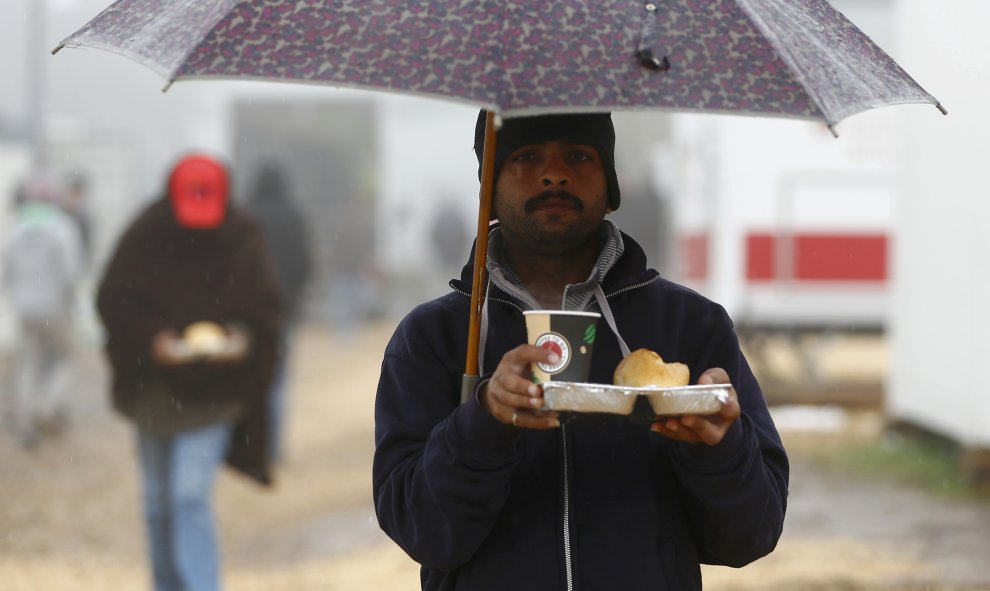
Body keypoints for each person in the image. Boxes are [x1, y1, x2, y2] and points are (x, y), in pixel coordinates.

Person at [372, 112, 789, 590]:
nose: (555, 174)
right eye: (527, 157)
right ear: (488, 186)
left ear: (610, 186)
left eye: (578, 155)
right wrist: (483, 421)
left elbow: (750, 537)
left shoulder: (691, 326)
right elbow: (425, 534)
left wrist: (720, 450)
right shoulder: (434, 337)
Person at [96, 154, 282, 591]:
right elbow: (113, 299)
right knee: (157, 501)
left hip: (217, 391)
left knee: (189, 494)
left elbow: (266, 311)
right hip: (154, 389)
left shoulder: (243, 238)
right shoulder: (146, 234)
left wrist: (241, 339)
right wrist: (152, 340)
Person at [1, 173, 85, 449]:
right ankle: (45, 406)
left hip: (24, 306)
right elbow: (70, 273)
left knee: (29, 365)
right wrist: (72, 303)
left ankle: (25, 423)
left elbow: (6, 271)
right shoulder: (62, 228)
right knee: (64, 359)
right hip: (54, 305)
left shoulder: (15, 228)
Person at [244, 161, 312, 461]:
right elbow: (305, 263)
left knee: (249, 376)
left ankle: (248, 445)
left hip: (248, 312)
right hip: (282, 310)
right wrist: (293, 294)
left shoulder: (245, 215)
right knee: (278, 377)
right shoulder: (293, 216)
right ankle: (272, 447)